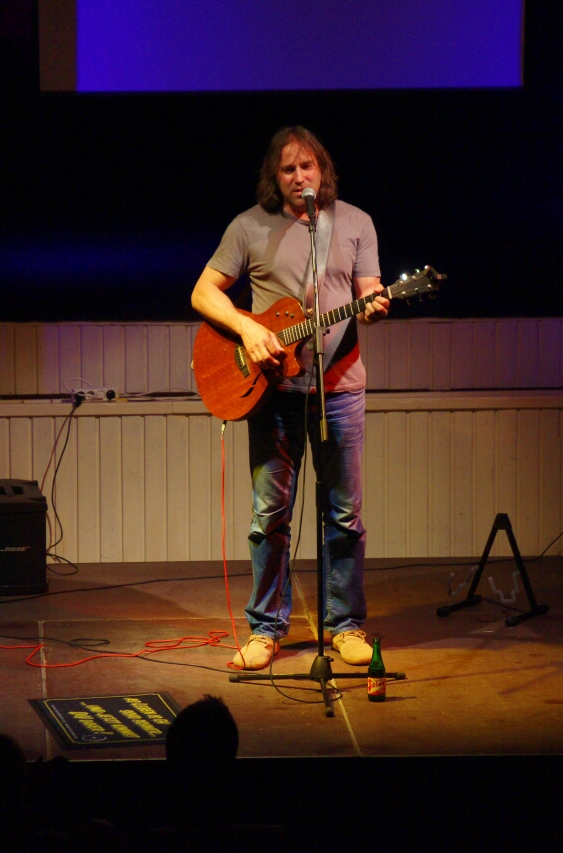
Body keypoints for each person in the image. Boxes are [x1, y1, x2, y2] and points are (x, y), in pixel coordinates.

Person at [191, 126, 388, 670]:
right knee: (270, 514)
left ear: (322, 170)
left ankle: (345, 625)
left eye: (308, 166)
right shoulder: (249, 227)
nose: (300, 176)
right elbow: (203, 292)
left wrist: (375, 302)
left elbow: (368, 288)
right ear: (274, 178)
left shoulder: (356, 223)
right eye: (288, 169)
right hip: (273, 391)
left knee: (344, 514)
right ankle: (266, 629)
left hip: (340, 390)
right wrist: (248, 329)